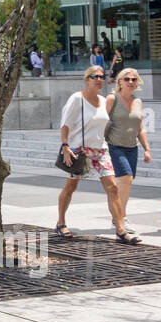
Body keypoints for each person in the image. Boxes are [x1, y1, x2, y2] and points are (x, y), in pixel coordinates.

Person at [54, 66, 124, 240]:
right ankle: (60, 223)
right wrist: (65, 146)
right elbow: (65, 124)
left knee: (113, 187)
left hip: (100, 150)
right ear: (87, 79)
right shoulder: (77, 98)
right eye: (95, 76)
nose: (99, 79)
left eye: (102, 76)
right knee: (71, 187)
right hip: (80, 151)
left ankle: (121, 230)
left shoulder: (102, 100)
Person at [105, 68, 151, 243]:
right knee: (126, 178)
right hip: (114, 145)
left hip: (132, 147)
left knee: (123, 184)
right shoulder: (112, 99)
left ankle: (118, 216)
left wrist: (147, 148)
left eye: (134, 79)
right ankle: (120, 219)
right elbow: (102, 122)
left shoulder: (138, 101)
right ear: (120, 81)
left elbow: (141, 128)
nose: (131, 82)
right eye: (127, 79)